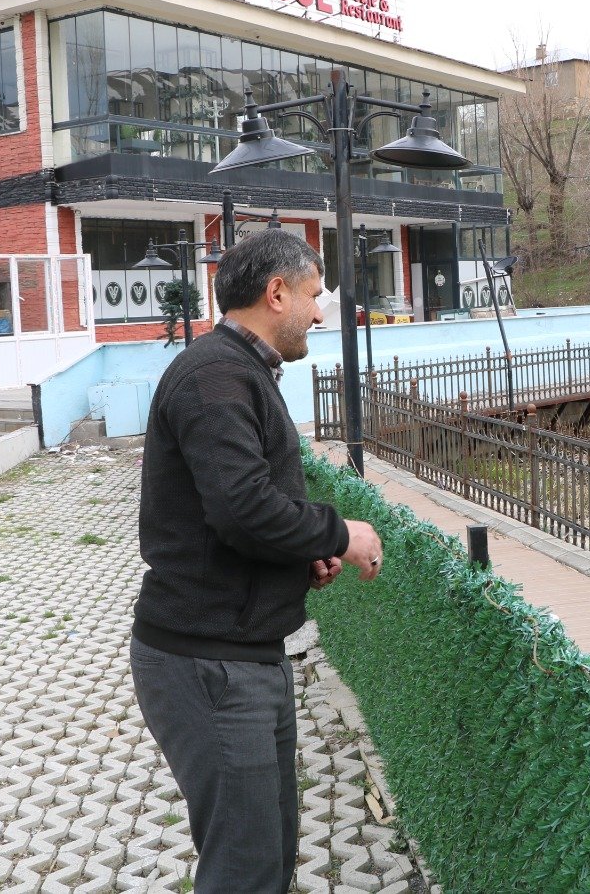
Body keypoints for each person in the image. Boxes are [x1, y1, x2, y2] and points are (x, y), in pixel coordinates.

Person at [131, 230, 384, 894]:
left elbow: (230, 514)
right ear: (277, 293)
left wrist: (299, 556)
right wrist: (340, 534)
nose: (320, 313)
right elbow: (242, 508)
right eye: (313, 295)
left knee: (269, 854)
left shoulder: (238, 369)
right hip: (209, 663)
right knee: (245, 868)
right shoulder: (216, 376)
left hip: (241, 653)